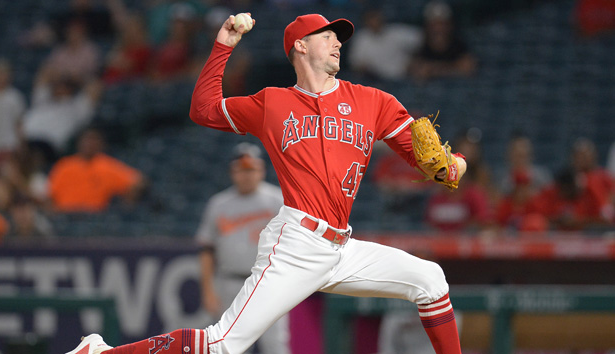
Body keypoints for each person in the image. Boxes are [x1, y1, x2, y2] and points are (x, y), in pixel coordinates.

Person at [67, 13, 466, 354]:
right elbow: (203, 109)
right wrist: (223, 45)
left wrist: (455, 165)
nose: (337, 44)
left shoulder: (374, 101)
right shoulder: (271, 103)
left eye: (338, 39)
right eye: (327, 37)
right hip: (296, 245)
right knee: (223, 344)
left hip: (341, 248)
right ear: (300, 47)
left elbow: (434, 164)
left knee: (430, 280)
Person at [196, 143, 290, 354]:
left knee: (275, 346)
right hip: (229, 283)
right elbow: (206, 250)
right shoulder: (218, 204)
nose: (247, 175)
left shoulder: (278, 200)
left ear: (262, 170)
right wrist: (208, 290)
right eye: (242, 169)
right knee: (228, 346)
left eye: (251, 169)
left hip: (268, 283)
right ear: (232, 172)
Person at [48, 127, 147, 213]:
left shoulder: (107, 165)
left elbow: (139, 181)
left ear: (101, 144)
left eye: (94, 139)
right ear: (79, 142)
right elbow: (50, 196)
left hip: (95, 218)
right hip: (65, 217)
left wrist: (128, 201)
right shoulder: (64, 165)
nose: (89, 143)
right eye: (87, 139)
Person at [408, 1, 476, 82]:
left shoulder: (459, 46)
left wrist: (432, 70)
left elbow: (468, 68)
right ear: (427, 27)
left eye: (442, 24)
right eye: (434, 24)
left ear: (450, 25)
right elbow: (418, 71)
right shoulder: (420, 46)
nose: (438, 29)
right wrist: (454, 67)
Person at [348, 8, 423, 81]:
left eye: (376, 18)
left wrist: (416, 60)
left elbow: (422, 39)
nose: (374, 22)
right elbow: (356, 64)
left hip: (405, 76)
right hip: (376, 80)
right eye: (371, 19)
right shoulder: (361, 38)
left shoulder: (396, 32)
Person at [0, 58, 26, 177]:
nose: (1, 77)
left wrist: (21, 145)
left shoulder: (15, 97)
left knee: (8, 176)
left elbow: (18, 123)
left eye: (4, 74)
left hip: (9, 145)